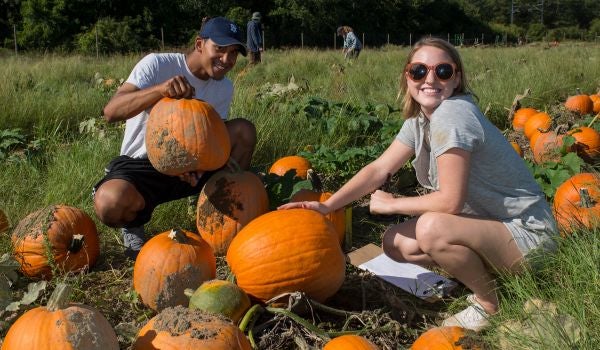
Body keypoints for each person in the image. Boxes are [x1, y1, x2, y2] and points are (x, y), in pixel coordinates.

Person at [279, 37, 558, 331]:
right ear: (407, 77)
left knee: (431, 228)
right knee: (395, 243)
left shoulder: (453, 114)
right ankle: (480, 272)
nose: (430, 79)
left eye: (443, 71)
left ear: (457, 78)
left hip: (529, 234)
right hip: (489, 227)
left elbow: (450, 201)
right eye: (419, 71)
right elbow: (379, 168)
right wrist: (327, 205)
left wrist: (392, 204)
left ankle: (490, 303)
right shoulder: (420, 121)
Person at [93, 17, 257, 259]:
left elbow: (212, 136)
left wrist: (201, 167)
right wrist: (160, 90)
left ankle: (218, 213)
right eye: (220, 49)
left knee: (244, 130)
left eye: (234, 53)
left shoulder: (224, 87)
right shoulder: (157, 64)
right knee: (110, 202)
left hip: (191, 168)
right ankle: (133, 225)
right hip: (144, 165)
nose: (227, 60)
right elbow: (111, 112)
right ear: (200, 44)